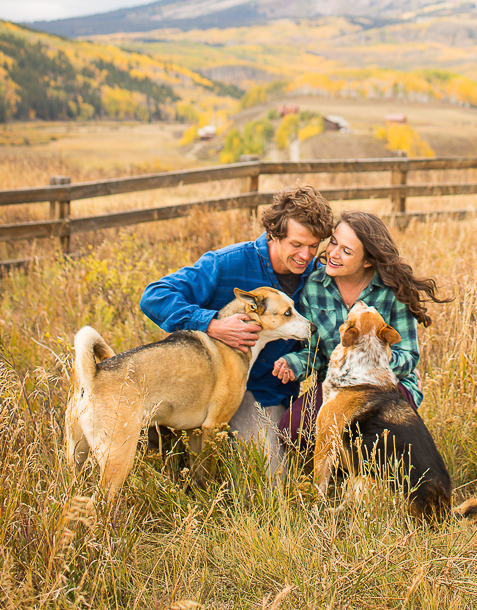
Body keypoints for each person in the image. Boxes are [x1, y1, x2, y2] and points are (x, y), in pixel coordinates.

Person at [139, 184, 333, 471]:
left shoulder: (316, 281)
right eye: (296, 245)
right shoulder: (226, 264)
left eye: (313, 246)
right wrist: (211, 324)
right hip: (199, 385)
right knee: (157, 464)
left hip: (259, 392)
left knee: (270, 476)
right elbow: (154, 296)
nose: (306, 256)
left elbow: (326, 344)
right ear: (273, 234)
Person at [273, 210, 449, 449]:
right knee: (291, 432)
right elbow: (314, 355)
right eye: (333, 242)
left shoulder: (391, 292)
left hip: (384, 386)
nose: (333, 254)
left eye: (346, 251)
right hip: (337, 386)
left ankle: (370, 477)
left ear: (367, 261)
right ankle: (337, 472)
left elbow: (409, 356)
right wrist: (294, 363)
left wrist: (375, 363)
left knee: (371, 437)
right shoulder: (314, 288)